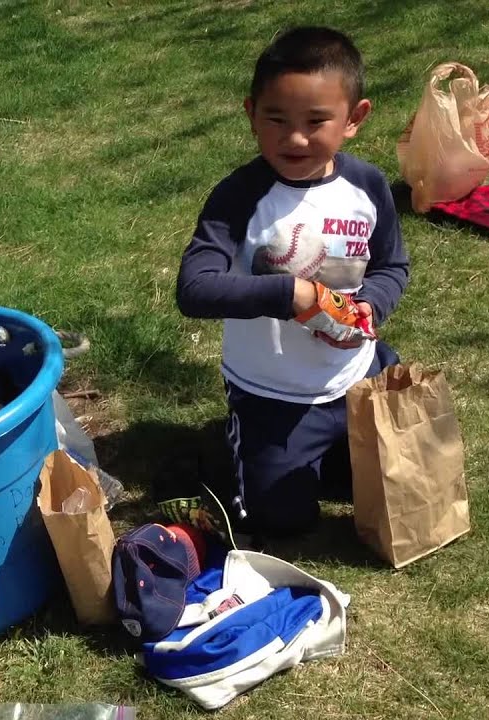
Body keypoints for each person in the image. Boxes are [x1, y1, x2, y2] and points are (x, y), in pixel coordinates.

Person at [175, 27, 410, 537]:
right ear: (250, 113)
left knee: (379, 486)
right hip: (271, 394)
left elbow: (392, 266)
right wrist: (291, 294)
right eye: (276, 120)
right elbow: (194, 289)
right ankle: (240, 453)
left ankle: (318, 458)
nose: (295, 138)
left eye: (316, 121)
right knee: (282, 523)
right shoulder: (240, 196)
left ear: (354, 119)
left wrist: (372, 304)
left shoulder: (367, 186)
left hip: (353, 378)